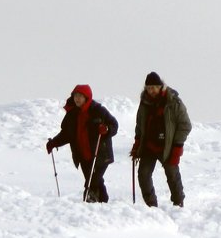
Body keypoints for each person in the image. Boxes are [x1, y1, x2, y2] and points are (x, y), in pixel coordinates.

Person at [45, 84, 118, 202]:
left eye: (80, 96)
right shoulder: (72, 114)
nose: (77, 99)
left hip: (101, 153)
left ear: (87, 97)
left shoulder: (98, 110)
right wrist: (54, 143)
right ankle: (104, 202)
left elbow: (114, 124)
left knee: (91, 181)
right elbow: (66, 134)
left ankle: (89, 200)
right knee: (95, 180)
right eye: (75, 96)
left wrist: (107, 130)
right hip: (83, 155)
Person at [130, 71, 192, 208]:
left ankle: (178, 203)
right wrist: (137, 145)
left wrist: (177, 146)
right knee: (143, 174)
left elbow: (185, 125)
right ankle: (151, 206)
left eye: (154, 87)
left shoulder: (173, 102)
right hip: (149, 146)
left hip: (168, 146)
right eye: (148, 88)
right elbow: (140, 125)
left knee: (172, 174)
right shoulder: (144, 102)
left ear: (160, 86)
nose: (151, 90)